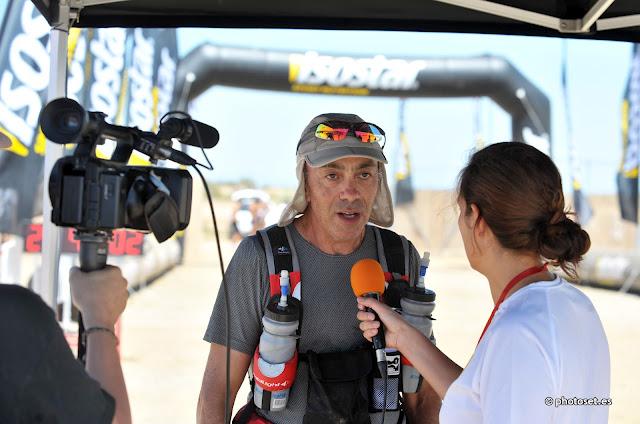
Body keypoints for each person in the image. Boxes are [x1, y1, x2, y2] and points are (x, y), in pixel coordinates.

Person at [198, 114, 441, 423]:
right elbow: (217, 390)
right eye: (332, 175)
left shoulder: (398, 256)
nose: (350, 192)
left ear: (378, 182)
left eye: (364, 174)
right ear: (306, 182)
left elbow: (424, 392)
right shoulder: (260, 257)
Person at [357, 142, 611, 423]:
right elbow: (480, 403)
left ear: (476, 219)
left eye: (461, 211)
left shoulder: (518, 331)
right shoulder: (574, 304)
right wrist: (404, 338)